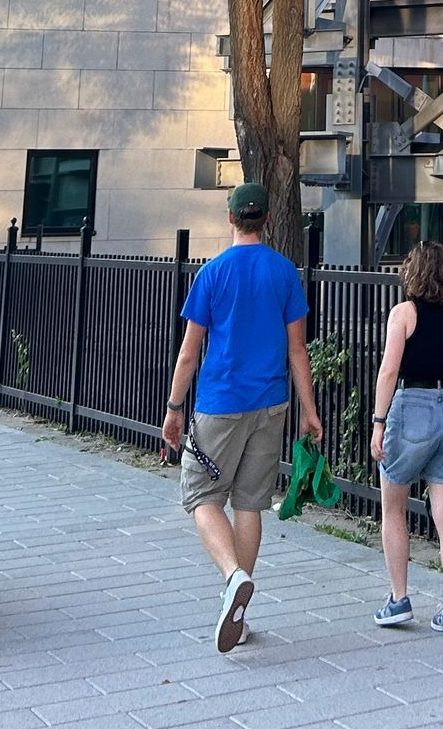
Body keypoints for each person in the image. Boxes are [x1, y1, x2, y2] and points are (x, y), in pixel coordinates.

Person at [159, 183, 321, 657]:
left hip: (220, 402)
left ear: (230, 218)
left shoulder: (212, 273)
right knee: (250, 504)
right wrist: (310, 411)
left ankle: (233, 577)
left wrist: (173, 408)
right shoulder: (284, 272)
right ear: (266, 219)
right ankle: (239, 612)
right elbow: (297, 350)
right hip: (271, 403)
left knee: (201, 495)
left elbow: (189, 353)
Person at [369, 239, 443, 638]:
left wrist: (379, 422)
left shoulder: (404, 313)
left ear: (413, 275)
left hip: (411, 409)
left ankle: (399, 599)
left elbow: (389, 371)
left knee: (393, 509)